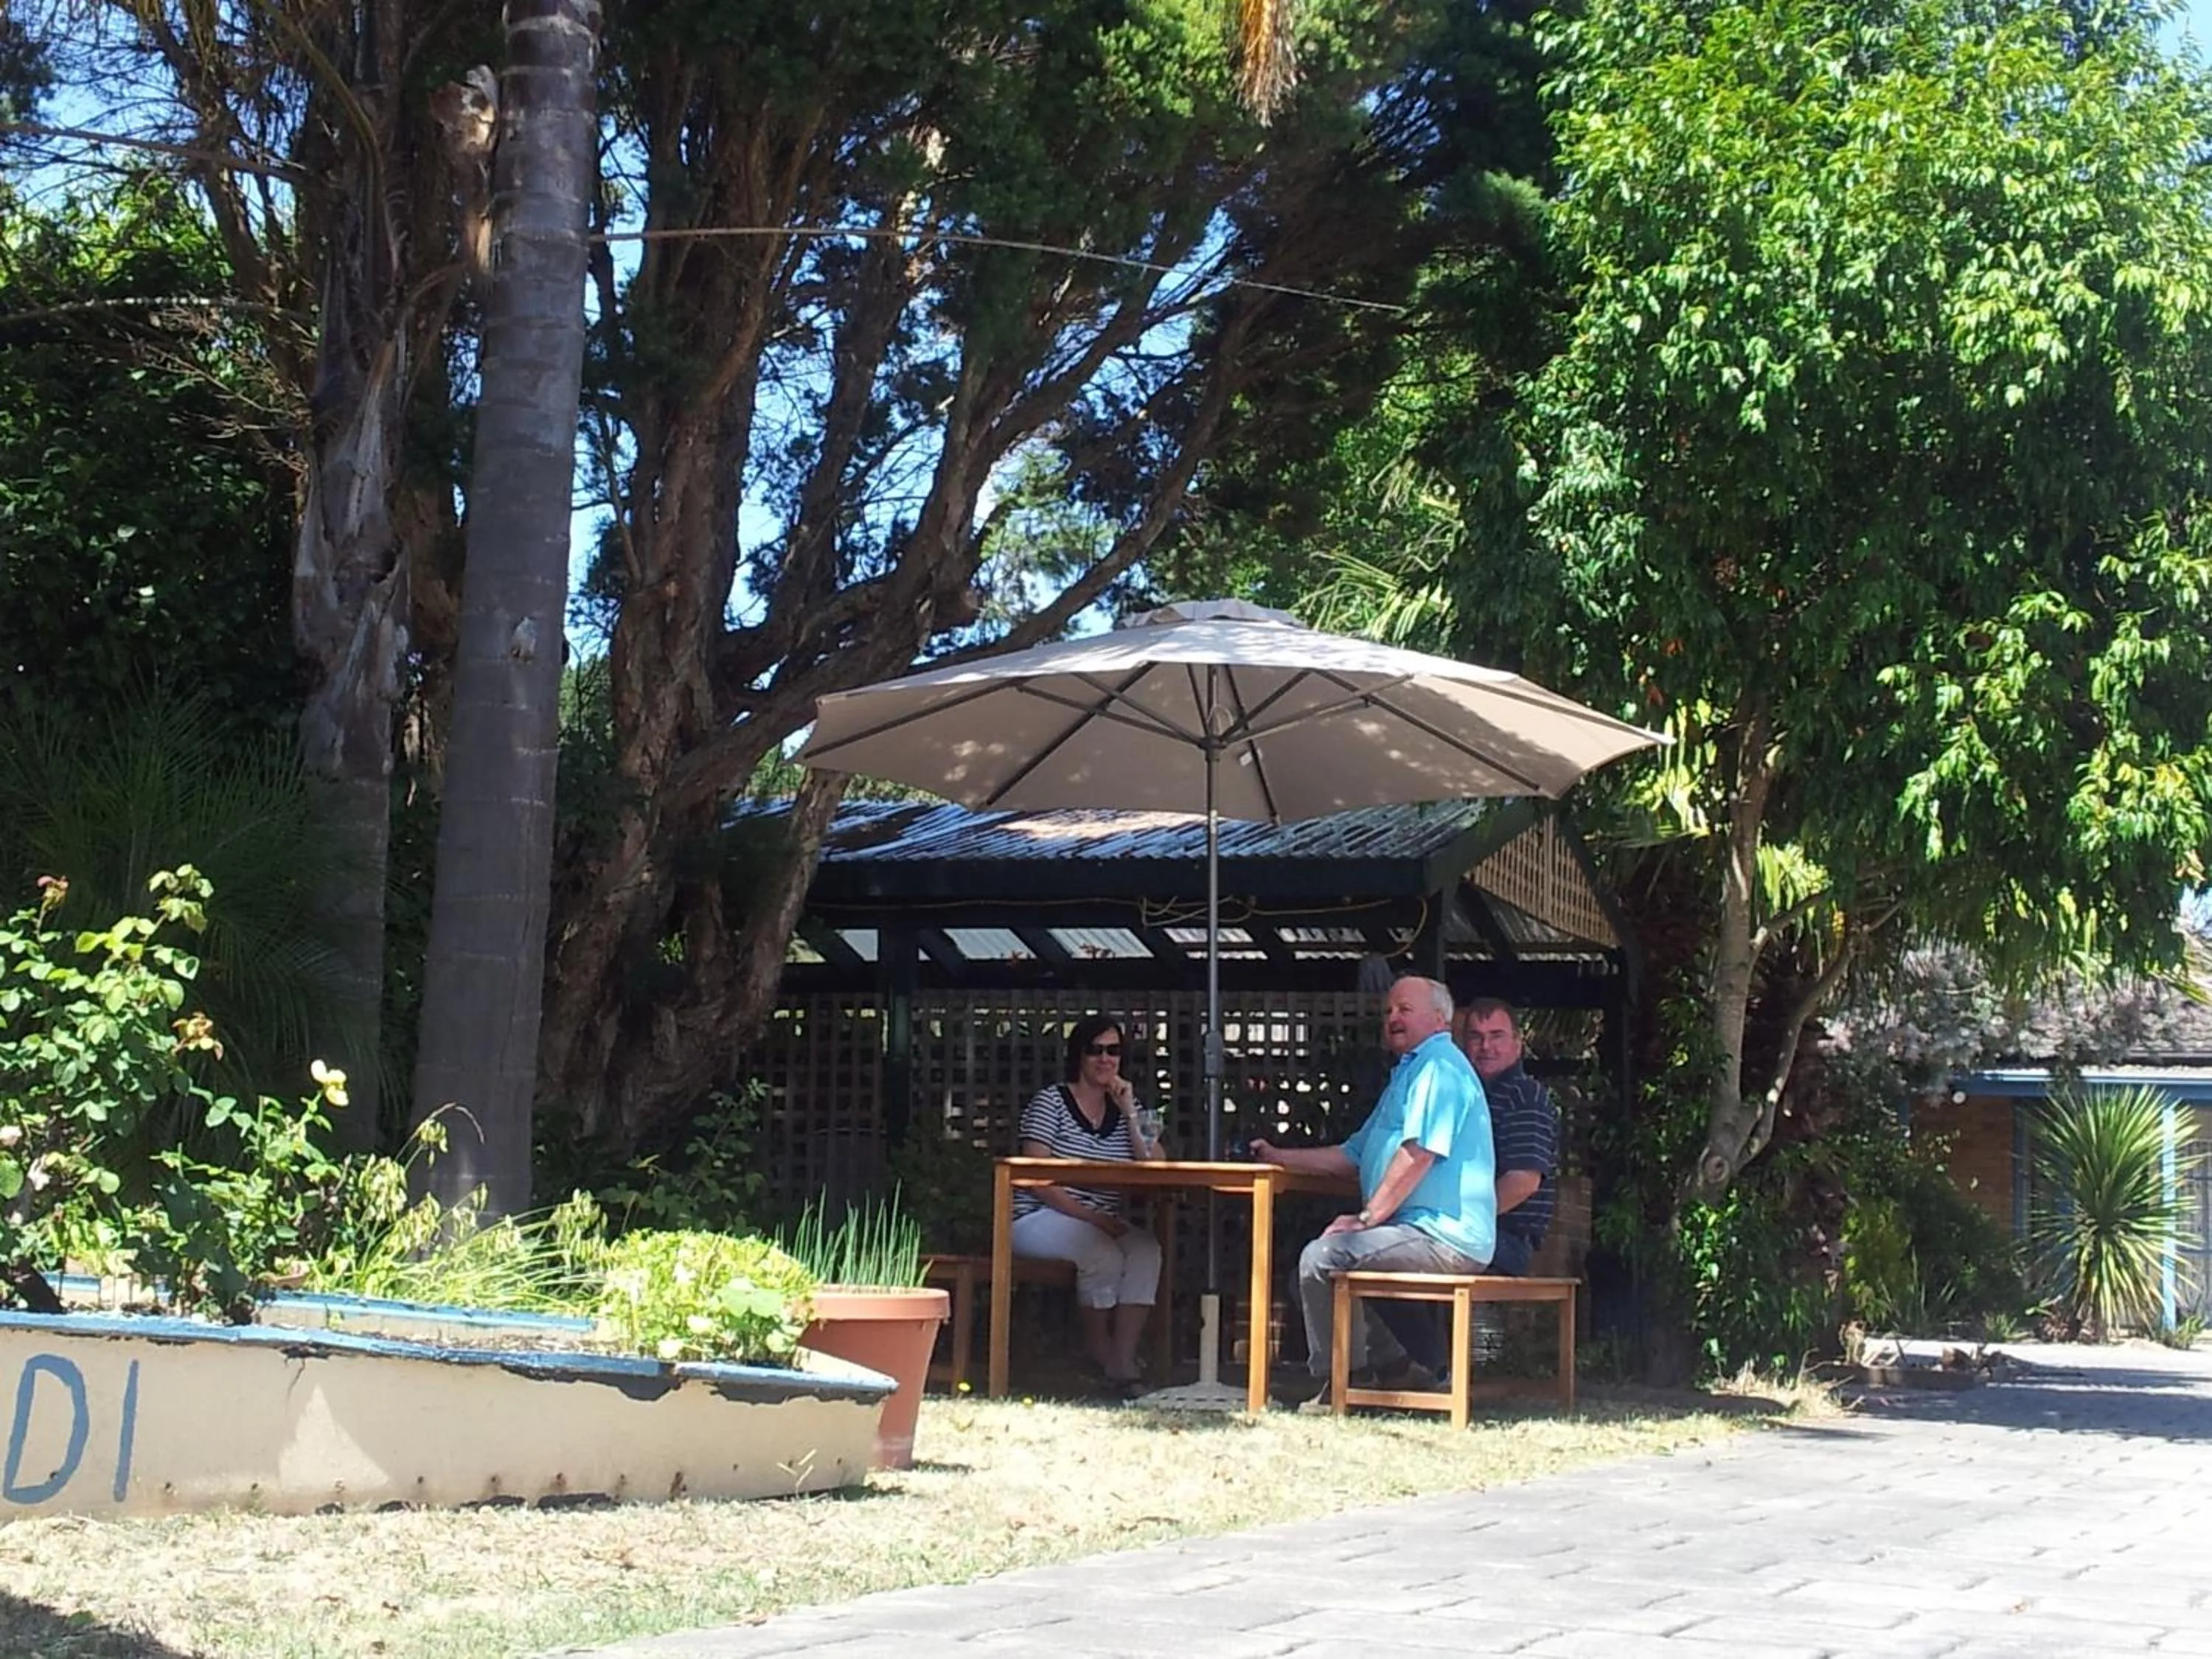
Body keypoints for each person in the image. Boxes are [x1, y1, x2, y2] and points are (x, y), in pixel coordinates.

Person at [1250, 975, 1495, 1408]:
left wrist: (1366, 1219)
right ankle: (1396, 1371)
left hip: (1445, 1237)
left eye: (1405, 1009)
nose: (1393, 1019)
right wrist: (1280, 1156)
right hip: (1412, 1231)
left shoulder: (1440, 1067)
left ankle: (1342, 1385)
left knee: (1325, 1257)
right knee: (1329, 1264)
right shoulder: (1410, 1072)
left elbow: (1419, 1152)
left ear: (1440, 1018)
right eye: (1389, 1012)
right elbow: (1353, 1154)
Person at [1009, 1013, 1164, 1395]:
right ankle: (1101, 1352)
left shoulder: (1130, 1108)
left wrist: (1129, 1110)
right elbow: (1035, 1175)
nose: (1105, 1059)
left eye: (1113, 1051)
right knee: (1101, 1252)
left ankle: (1123, 1359)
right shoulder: (1051, 1101)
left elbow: (1157, 1164)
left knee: (1147, 1250)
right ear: (1079, 1055)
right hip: (1039, 1215)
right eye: (1095, 1050)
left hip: (1101, 1220)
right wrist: (1093, 1218)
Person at [1458, 998, 1559, 1276]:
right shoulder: (1470, 1097)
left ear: (1518, 1043)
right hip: (1480, 1235)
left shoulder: (1524, 1095)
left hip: (1503, 1240)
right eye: (1476, 1037)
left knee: (1385, 1256)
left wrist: (1458, 1221)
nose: (1486, 1047)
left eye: (1497, 1037)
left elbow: (1523, 1182)